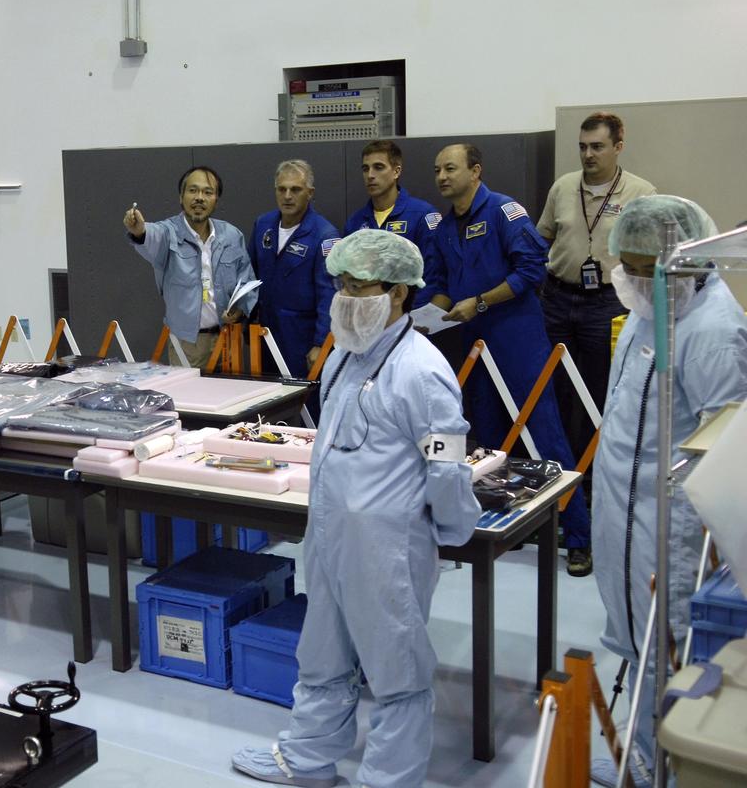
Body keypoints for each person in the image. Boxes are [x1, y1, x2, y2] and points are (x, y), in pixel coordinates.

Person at [232, 230, 480, 788]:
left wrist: (452, 526)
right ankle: (307, 758)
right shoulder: (345, 354)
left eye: (357, 286)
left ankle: (388, 779)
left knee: (397, 668)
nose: (343, 297)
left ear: (398, 293)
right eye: (339, 284)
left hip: (388, 547)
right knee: (322, 653)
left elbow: (447, 464)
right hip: (330, 534)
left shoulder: (422, 371)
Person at [590, 196, 747, 788]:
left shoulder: (712, 332)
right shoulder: (651, 305)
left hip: (671, 520)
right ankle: (642, 749)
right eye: (626, 266)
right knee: (637, 633)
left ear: (684, 262)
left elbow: (721, 448)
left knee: (667, 640)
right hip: (627, 503)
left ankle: (667, 764)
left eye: (642, 269)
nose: (629, 279)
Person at [423, 143, 591, 575]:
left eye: (450, 168)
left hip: (517, 338)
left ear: (475, 171)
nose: (442, 177)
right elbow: (440, 284)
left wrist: (480, 302)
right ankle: (499, 525)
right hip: (472, 341)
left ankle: (577, 536)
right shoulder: (443, 227)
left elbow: (532, 271)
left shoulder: (504, 211)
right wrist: (424, 319)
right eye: (438, 170)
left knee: (546, 434)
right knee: (487, 439)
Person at [537, 113, 657, 567]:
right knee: (555, 398)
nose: (588, 154)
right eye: (583, 146)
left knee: (599, 401)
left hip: (607, 304)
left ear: (618, 146)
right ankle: (557, 503)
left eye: (598, 146)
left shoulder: (640, 193)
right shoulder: (563, 187)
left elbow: (650, 255)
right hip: (557, 299)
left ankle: (590, 508)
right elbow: (542, 238)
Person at [124, 166, 257, 367]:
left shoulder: (231, 235)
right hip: (187, 344)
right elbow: (150, 236)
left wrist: (240, 310)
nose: (199, 198)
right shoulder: (168, 233)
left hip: (228, 339)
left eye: (207, 192)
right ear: (181, 197)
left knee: (230, 388)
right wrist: (139, 230)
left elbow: (247, 281)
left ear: (216, 200)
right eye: (193, 190)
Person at [249, 159, 339, 381]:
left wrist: (321, 343)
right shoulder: (263, 225)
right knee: (267, 395)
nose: (287, 196)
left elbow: (330, 295)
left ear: (310, 193)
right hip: (265, 334)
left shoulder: (325, 235)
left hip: (302, 337)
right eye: (282, 189)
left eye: (295, 189)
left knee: (303, 398)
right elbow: (249, 276)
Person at [344, 139, 443, 293]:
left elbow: (433, 277)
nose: (370, 175)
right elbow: (349, 278)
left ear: (396, 171)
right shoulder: (355, 223)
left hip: (412, 306)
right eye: (365, 169)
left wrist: (411, 308)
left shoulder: (423, 215)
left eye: (378, 167)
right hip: (368, 306)